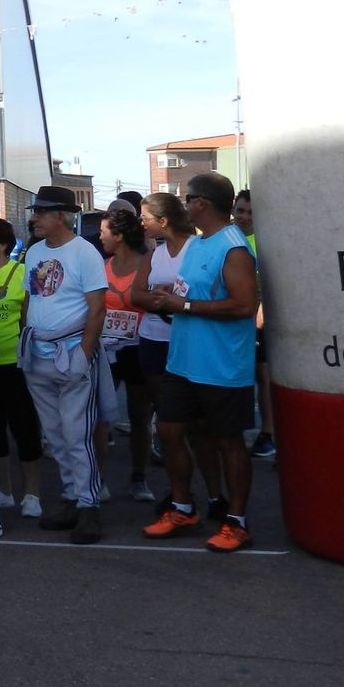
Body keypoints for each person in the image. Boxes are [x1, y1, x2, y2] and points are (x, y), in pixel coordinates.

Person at [143, 172, 260, 552]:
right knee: (169, 432)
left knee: (228, 443)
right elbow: (189, 293)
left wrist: (186, 305)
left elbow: (244, 305)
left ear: (202, 204)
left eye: (188, 198)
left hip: (222, 367)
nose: (184, 203)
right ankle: (182, 508)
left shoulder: (233, 247)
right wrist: (170, 295)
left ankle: (236, 522)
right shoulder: (198, 244)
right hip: (183, 363)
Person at [19, 185, 109, 545]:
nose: (35, 219)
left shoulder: (85, 252)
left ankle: (88, 505)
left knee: (76, 433)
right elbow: (31, 297)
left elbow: (97, 308)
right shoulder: (34, 251)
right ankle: (73, 497)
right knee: (56, 435)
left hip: (71, 351)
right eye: (36, 212)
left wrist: (83, 355)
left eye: (41, 212)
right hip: (39, 352)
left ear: (61, 216)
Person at [133, 192, 226, 514]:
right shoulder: (153, 253)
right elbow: (136, 296)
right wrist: (160, 298)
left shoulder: (197, 248)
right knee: (169, 426)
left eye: (145, 218)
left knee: (201, 428)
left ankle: (215, 497)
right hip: (154, 341)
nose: (141, 224)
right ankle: (180, 495)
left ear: (163, 220)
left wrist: (171, 298)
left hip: (191, 342)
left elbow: (206, 291)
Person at [0, 218, 42, 517]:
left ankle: (33, 494)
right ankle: (4, 490)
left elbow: (28, 321)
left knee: (25, 429)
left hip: (15, 366)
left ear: (3, 244)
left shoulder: (22, 274)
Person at [100, 205, 156, 502]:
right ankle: (99, 481)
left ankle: (139, 478)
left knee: (139, 416)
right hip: (106, 348)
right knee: (100, 417)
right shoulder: (102, 265)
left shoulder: (148, 264)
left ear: (119, 235)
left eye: (104, 232)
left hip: (138, 347)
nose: (100, 237)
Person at [233, 189, 276, 460]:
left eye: (251, 212)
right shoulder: (226, 237)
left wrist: (262, 311)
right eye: (241, 210)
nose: (245, 217)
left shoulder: (265, 241)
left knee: (262, 373)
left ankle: (268, 433)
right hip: (232, 319)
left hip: (258, 319)